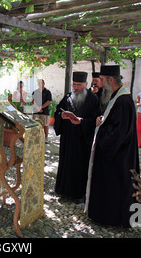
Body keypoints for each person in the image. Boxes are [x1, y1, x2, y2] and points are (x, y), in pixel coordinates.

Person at [85, 64, 140, 228]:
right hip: (117, 153)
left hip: (118, 156)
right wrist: (101, 122)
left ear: (110, 80)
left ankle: (114, 219)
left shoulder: (123, 101)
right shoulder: (117, 96)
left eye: (101, 80)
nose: (99, 83)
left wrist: (101, 130)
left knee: (117, 186)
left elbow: (118, 134)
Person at [54, 72, 101, 204]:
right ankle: (62, 190)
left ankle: (79, 194)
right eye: (74, 84)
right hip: (68, 138)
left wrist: (82, 122)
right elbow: (58, 110)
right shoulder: (68, 96)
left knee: (80, 166)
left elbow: (96, 120)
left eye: (79, 85)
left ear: (86, 85)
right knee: (65, 163)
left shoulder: (93, 100)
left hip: (82, 140)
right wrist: (61, 116)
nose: (76, 87)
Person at [32, 79, 52, 143]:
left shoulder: (48, 92)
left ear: (44, 83)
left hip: (45, 112)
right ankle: (35, 138)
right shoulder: (35, 92)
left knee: (46, 125)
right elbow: (32, 101)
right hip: (36, 111)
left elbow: (48, 101)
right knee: (35, 125)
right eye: (39, 83)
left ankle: (46, 138)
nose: (40, 84)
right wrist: (38, 108)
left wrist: (41, 108)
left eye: (41, 83)